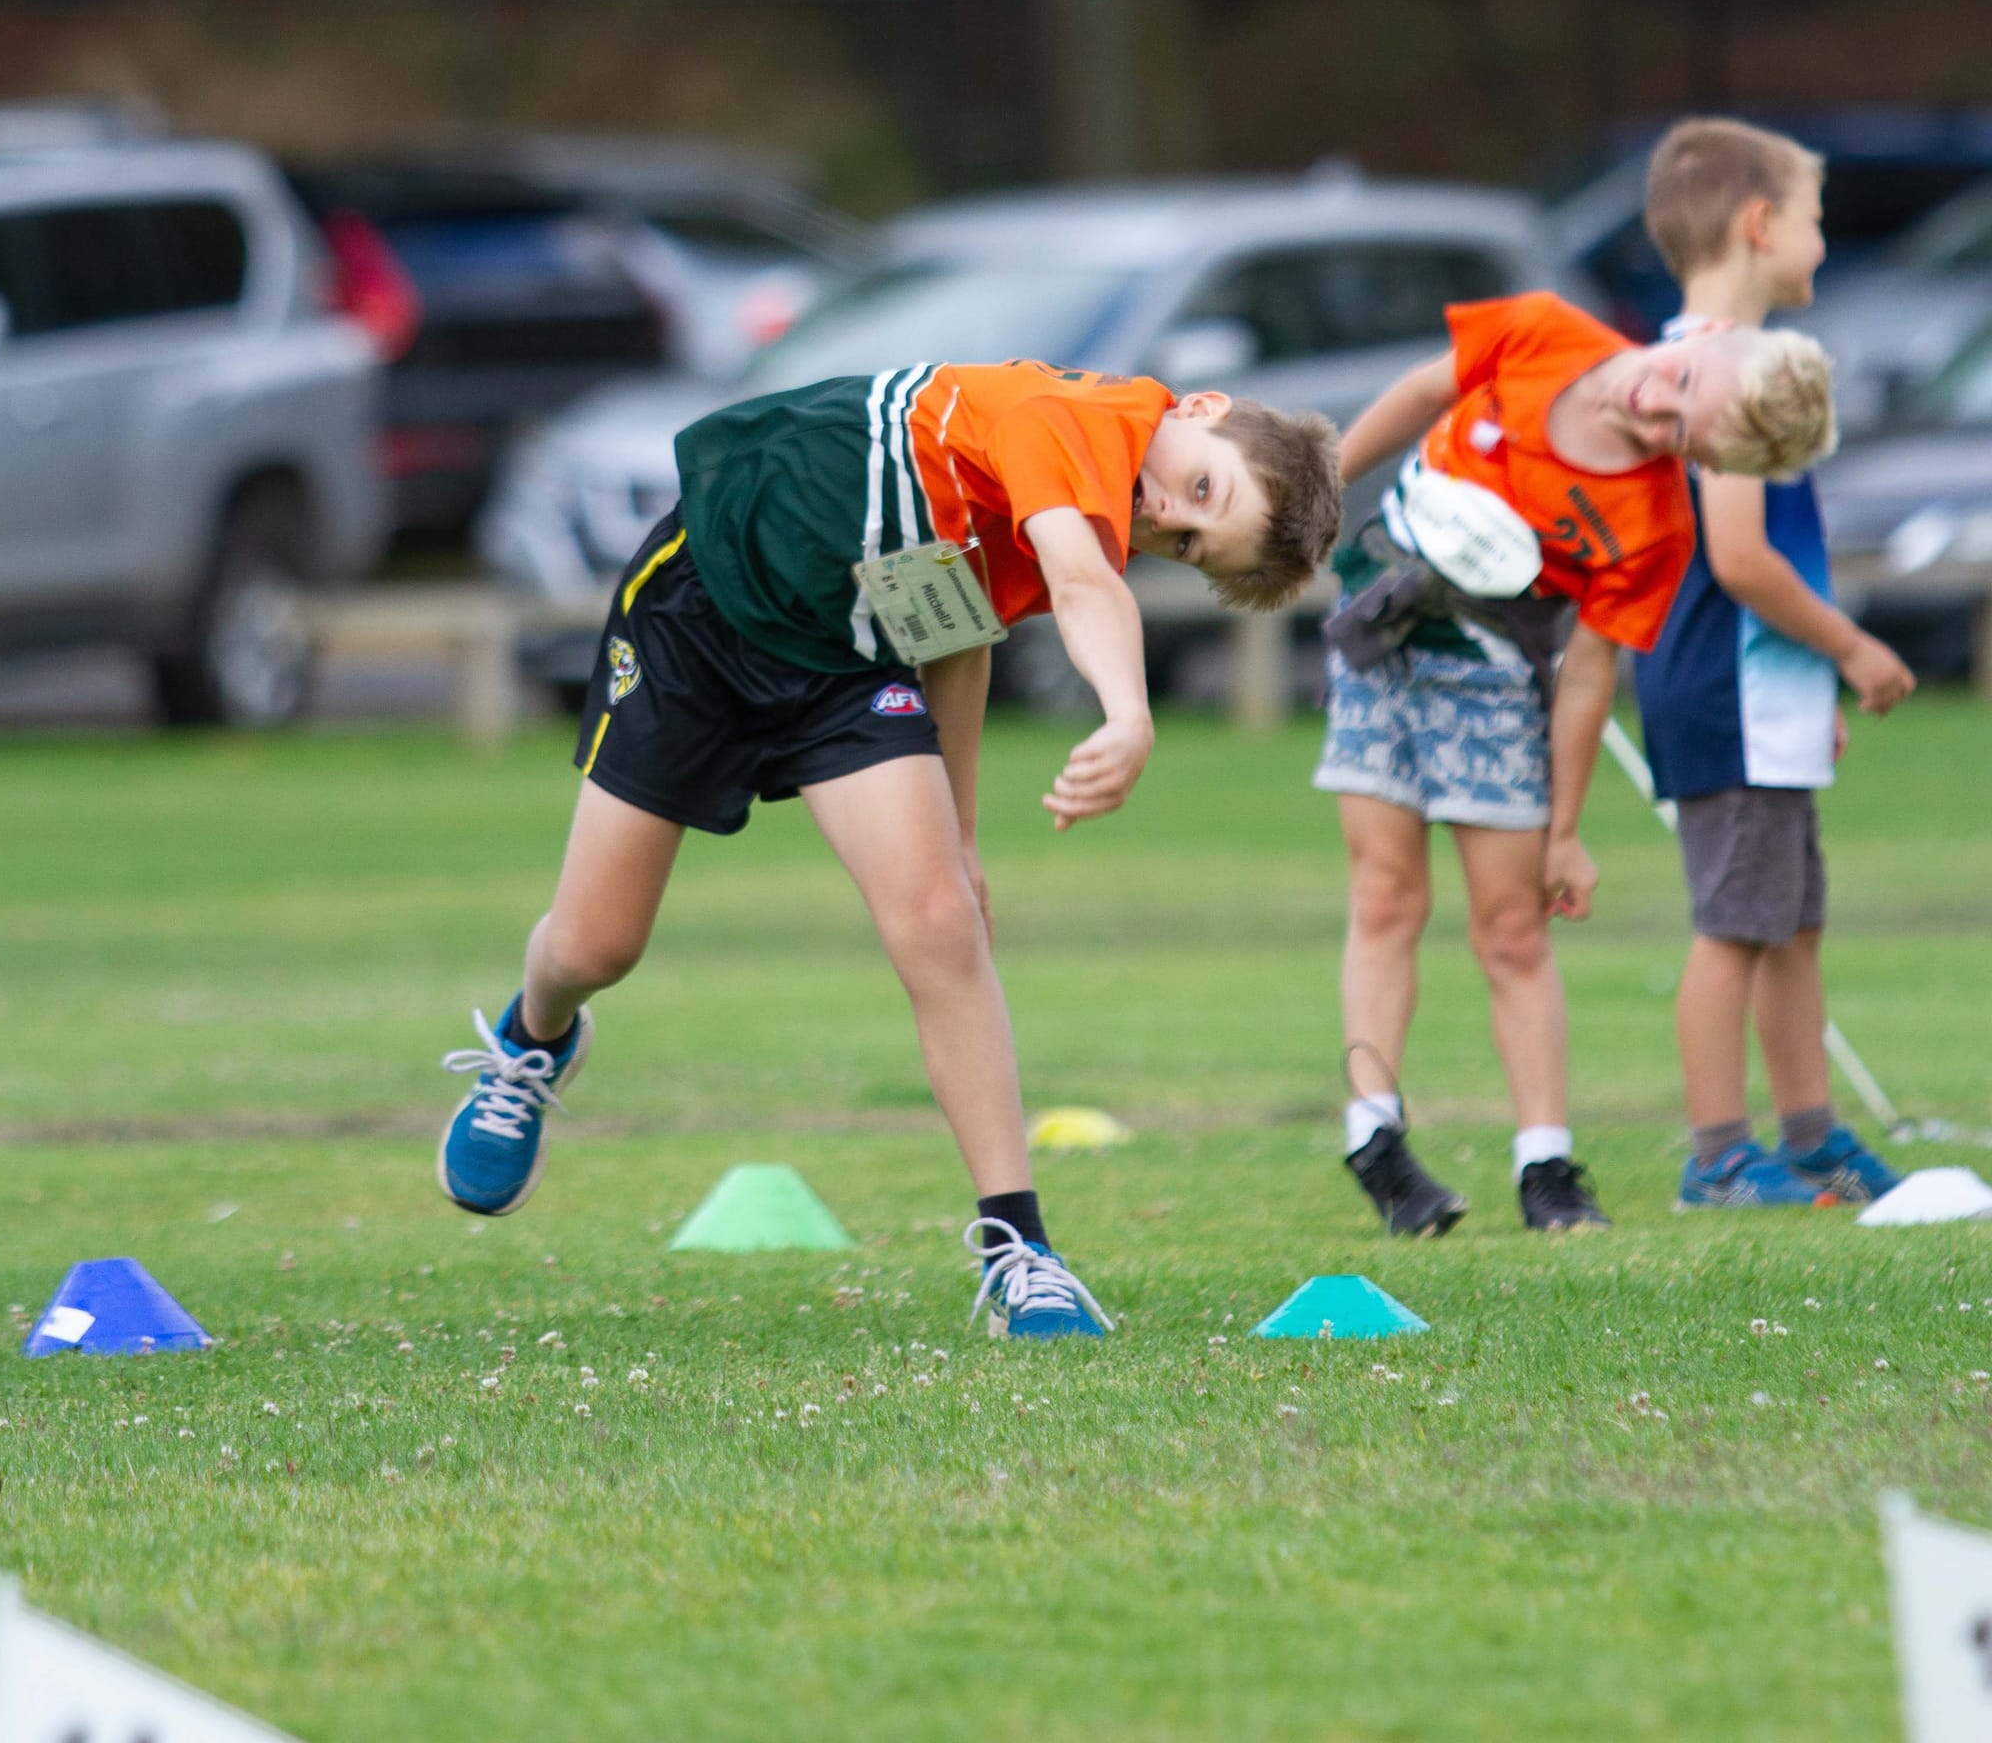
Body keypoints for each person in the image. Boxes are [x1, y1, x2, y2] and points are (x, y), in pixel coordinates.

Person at [436, 359, 1341, 1337]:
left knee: (943, 924)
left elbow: (947, 620)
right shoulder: (1067, 419)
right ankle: (533, 1040)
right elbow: (1084, 586)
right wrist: (1128, 715)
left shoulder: (1075, 516)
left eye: (1189, 542)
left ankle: (1020, 1252)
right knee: (594, 947)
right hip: (700, 617)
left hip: (847, 663)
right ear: (1200, 409)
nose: (1166, 516)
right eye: (1201, 487)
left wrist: (961, 838)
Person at [1317, 289, 1835, 1237]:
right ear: (1706, 342)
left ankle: (1546, 1167)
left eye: (1683, 434)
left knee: (1512, 928)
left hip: (1494, 679)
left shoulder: (1656, 526)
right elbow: (1425, 389)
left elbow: (1589, 673)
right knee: (1385, 896)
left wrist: (1564, 831)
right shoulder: (1543, 328)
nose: (1657, 407)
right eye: (1681, 382)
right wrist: (1321, 490)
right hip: (1378, 639)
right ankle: (1375, 1138)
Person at [1633, 119, 1914, 1208]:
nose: (1821, 245)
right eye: (1813, 220)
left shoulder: (1740, 357)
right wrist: (1849, 647)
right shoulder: (1720, 370)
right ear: (1759, 224)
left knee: (1790, 922)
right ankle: (1716, 1157)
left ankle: (1810, 1139)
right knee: (1735, 926)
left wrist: (1808, 685)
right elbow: (1741, 556)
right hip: (1726, 694)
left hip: (1766, 697)